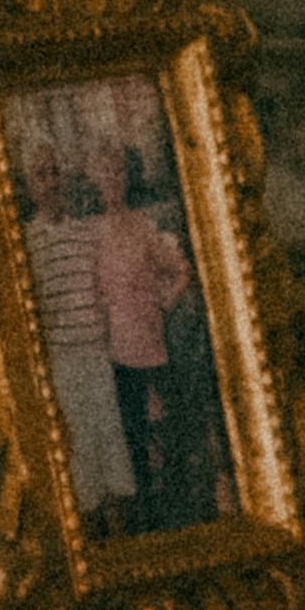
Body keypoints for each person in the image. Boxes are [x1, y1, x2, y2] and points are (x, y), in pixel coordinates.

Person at [85, 140, 206, 531]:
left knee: (168, 436)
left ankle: (182, 516)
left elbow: (181, 269)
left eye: (118, 171)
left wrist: (164, 304)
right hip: (117, 353)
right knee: (132, 443)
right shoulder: (92, 234)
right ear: (95, 179)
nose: (113, 180)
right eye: (105, 172)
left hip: (153, 346)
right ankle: (146, 525)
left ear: (126, 177)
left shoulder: (142, 226)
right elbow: (93, 293)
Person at [16, 143, 139, 517]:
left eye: (55, 172)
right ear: (29, 185)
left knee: (111, 447)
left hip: (97, 357)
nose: (51, 182)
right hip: (63, 364)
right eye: (41, 175)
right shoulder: (26, 241)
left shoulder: (86, 234)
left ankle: (119, 539)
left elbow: (106, 287)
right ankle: (91, 539)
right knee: (79, 454)